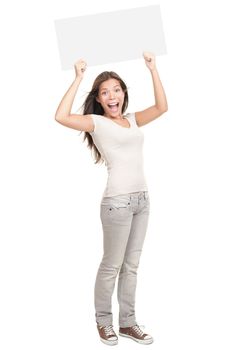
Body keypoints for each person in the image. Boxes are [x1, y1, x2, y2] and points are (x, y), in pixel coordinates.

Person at [55, 52, 168, 345]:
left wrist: (153, 69)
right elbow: (61, 117)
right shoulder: (96, 122)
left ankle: (128, 323)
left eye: (116, 89)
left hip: (142, 201)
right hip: (116, 204)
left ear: (123, 94)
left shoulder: (132, 120)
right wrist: (78, 78)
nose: (111, 95)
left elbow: (162, 107)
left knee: (132, 265)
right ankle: (104, 322)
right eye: (105, 92)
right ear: (100, 99)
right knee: (111, 265)